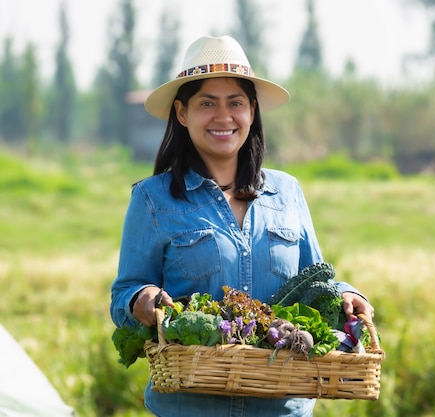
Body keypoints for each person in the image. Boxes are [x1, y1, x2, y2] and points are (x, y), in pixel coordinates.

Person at [109, 35, 375, 417]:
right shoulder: (153, 199)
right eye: (207, 104)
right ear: (182, 113)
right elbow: (123, 296)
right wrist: (142, 299)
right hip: (190, 406)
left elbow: (319, 283)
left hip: (282, 406)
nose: (223, 117)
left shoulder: (288, 192)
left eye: (235, 103)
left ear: (252, 111)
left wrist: (349, 295)